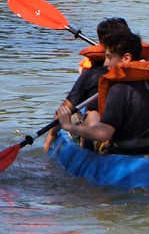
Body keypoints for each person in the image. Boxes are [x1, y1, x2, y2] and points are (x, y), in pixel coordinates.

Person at [56, 28, 149, 155]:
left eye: (109, 57)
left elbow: (103, 134)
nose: (105, 63)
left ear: (126, 58)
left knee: (89, 119)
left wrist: (69, 127)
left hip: (122, 155)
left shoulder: (117, 90)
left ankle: (79, 134)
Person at [44, 17, 132, 151]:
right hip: (135, 134)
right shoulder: (148, 72)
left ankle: (85, 150)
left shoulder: (92, 74)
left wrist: (51, 135)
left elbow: (65, 108)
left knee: (75, 115)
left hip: (100, 132)